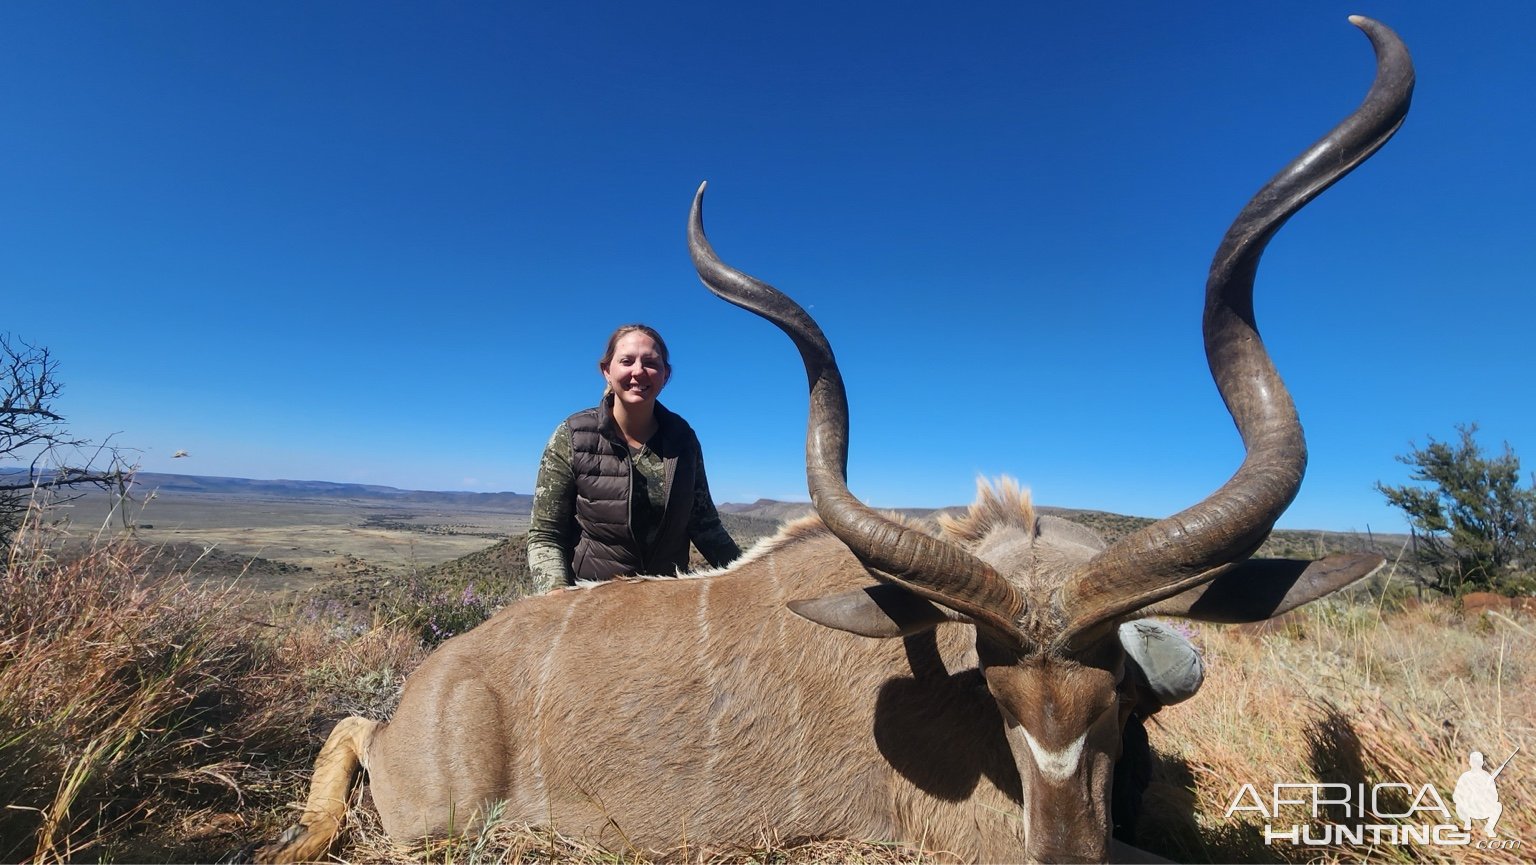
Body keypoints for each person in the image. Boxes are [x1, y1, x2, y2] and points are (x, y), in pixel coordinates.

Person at [526, 323, 741, 593]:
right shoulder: (573, 435)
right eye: (627, 361)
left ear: (665, 374)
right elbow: (546, 536)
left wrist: (752, 580)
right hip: (589, 606)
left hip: (664, 604)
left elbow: (705, 527)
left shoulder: (683, 439)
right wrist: (556, 598)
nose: (638, 371)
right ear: (607, 371)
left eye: (651, 363)